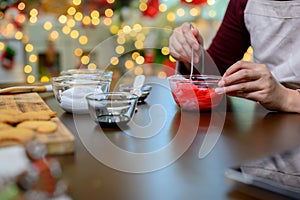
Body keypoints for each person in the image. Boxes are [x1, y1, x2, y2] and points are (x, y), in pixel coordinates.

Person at [169, 0, 300, 113]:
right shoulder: (244, 3)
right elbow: (218, 72)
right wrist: (193, 54)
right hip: (269, 120)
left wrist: (287, 98)